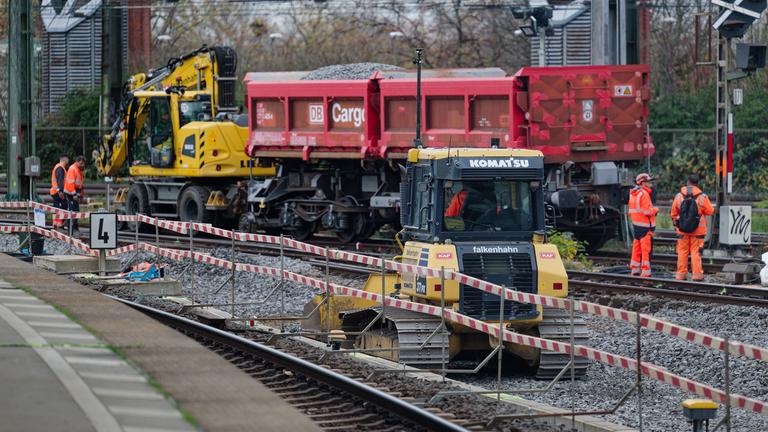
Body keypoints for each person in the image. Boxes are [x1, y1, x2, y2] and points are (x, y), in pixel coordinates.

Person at [670, 174, 714, 281]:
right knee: (696, 252)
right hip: (698, 231)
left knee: (682, 252)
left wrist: (677, 226)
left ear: (688, 182)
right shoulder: (702, 197)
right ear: (697, 184)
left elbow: (673, 213)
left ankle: (681, 275)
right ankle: (697, 275)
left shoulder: (679, 196)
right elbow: (710, 211)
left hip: (682, 230)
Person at [628, 173, 658, 278]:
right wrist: (655, 210)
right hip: (645, 227)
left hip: (636, 226)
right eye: (649, 182)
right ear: (643, 183)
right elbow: (647, 211)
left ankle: (635, 269)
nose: (651, 184)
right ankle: (645, 272)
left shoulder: (633, 193)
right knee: (646, 250)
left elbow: (631, 211)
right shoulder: (644, 194)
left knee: (636, 248)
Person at [64, 155, 86, 236]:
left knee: (76, 211)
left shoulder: (78, 169)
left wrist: (81, 195)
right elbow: (70, 183)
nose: (82, 165)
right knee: (72, 211)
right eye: (81, 163)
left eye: (83, 164)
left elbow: (80, 184)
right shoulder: (73, 169)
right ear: (77, 161)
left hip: (75, 193)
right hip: (70, 193)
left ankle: (75, 229)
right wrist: (74, 194)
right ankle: (71, 230)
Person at [49, 155, 69, 230]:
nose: (67, 163)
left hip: (55, 191)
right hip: (58, 192)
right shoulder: (60, 168)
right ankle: (59, 224)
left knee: (56, 207)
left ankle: (56, 223)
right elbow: (60, 180)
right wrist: (61, 191)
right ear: (65, 160)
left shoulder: (57, 167)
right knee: (61, 207)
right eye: (67, 161)